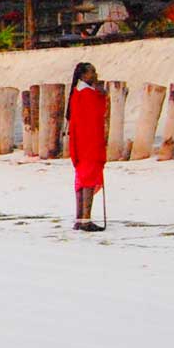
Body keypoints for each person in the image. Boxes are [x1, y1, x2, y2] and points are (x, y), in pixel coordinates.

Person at [66, 61, 108, 231]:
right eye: (92, 72)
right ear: (84, 75)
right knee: (89, 178)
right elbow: (97, 115)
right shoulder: (87, 94)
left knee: (82, 178)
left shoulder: (77, 92)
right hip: (89, 140)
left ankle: (80, 218)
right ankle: (85, 219)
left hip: (79, 140)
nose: (95, 75)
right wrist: (101, 94)